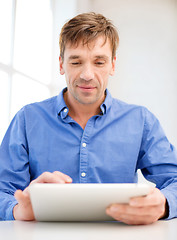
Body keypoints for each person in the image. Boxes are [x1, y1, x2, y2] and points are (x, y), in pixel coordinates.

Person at [0, 12, 177, 225]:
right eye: (76, 62)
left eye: (99, 62)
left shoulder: (141, 121)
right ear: (61, 64)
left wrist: (164, 203)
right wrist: (19, 209)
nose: (87, 74)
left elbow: (174, 181)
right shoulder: (27, 120)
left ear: (112, 65)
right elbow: (3, 190)